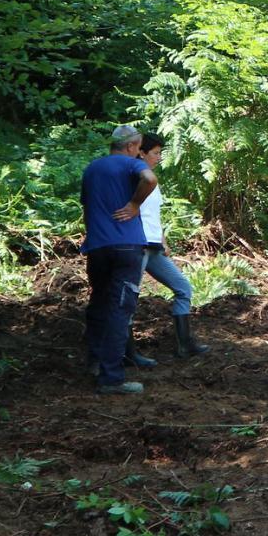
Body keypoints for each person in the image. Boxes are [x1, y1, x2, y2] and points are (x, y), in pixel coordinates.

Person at [81, 125, 157, 394]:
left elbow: (86, 206)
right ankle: (111, 377)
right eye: (138, 148)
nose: (139, 152)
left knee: (99, 302)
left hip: (97, 246)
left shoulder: (92, 169)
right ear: (131, 146)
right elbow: (149, 178)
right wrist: (135, 204)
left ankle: (94, 362)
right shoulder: (129, 164)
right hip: (126, 247)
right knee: (119, 308)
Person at [138, 133, 209, 358]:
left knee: (183, 288)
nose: (159, 157)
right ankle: (126, 352)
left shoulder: (152, 180)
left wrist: (163, 240)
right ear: (141, 153)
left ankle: (185, 345)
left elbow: (152, 215)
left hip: (154, 246)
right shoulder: (133, 178)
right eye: (155, 153)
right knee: (127, 298)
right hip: (137, 245)